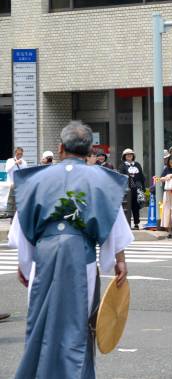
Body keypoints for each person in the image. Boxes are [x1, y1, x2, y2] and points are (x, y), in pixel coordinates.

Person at [9, 122, 132, 379]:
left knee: (41, 323)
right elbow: (113, 221)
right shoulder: (101, 179)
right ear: (89, 150)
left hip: (44, 253)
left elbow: (21, 228)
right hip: (81, 254)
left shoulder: (36, 179)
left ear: (60, 148)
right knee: (78, 325)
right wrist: (119, 260)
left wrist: (25, 265)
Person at [117, 149, 145, 230]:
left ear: (133, 156)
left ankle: (136, 223)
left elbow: (142, 177)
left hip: (137, 189)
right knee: (126, 206)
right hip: (127, 189)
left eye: (131, 154)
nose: (129, 156)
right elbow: (121, 177)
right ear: (124, 156)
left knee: (136, 207)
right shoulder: (122, 165)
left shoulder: (137, 164)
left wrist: (143, 188)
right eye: (127, 155)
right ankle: (126, 224)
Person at [157, 153, 172, 237]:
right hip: (167, 192)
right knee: (167, 210)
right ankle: (170, 231)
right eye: (170, 162)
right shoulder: (166, 169)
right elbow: (161, 179)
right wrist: (167, 177)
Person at [5, 146, 26, 217]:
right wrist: (15, 163)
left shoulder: (24, 162)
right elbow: (7, 170)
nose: (20, 156)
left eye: (21, 154)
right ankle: (10, 214)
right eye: (18, 154)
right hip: (11, 183)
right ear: (15, 153)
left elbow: (25, 173)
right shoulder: (10, 161)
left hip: (20, 184)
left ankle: (18, 214)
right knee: (11, 199)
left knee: (19, 200)